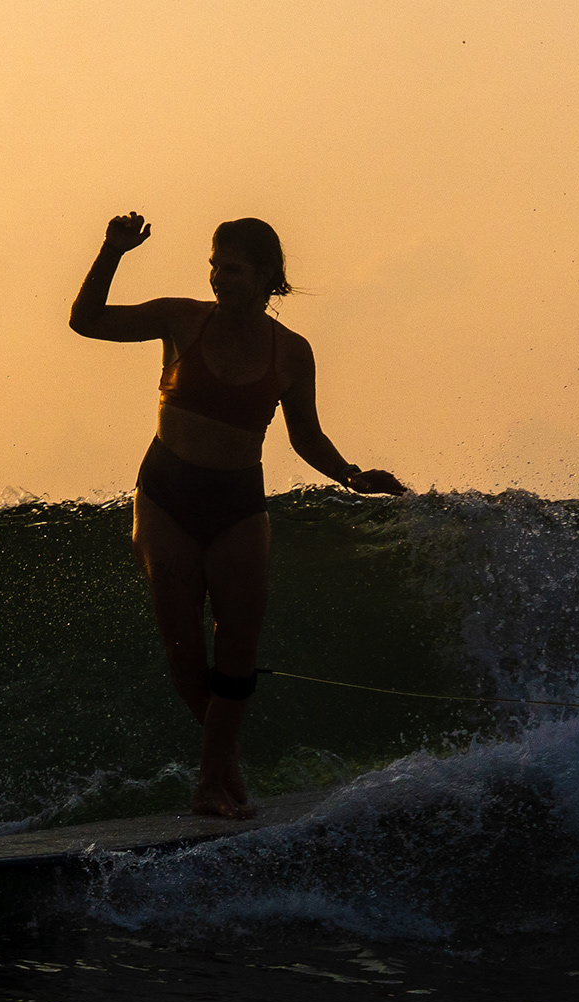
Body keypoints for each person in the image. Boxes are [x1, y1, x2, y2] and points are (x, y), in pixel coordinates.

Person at [69, 212, 407, 819]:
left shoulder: (291, 352)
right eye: (214, 265)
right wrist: (112, 251)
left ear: (267, 276)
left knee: (238, 649)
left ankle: (211, 782)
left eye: (232, 268)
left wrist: (352, 475)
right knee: (182, 651)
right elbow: (86, 322)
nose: (219, 278)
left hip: (238, 506)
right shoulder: (182, 319)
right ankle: (226, 766)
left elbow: (305, 435)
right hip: (167, 496)